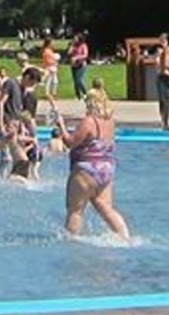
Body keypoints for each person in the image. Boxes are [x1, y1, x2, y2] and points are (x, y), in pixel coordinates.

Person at [56, 91, 131, 239]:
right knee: (105, 208)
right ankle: (125, 237)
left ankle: (71, 243)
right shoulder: (110, 121)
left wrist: (61, 126)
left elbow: (70, 142)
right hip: (106, 169)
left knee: (75, 210)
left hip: (86, 169)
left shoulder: (89, 121)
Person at [68, 33, 89, 99]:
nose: (74, 39)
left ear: (79, 39)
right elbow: (69, 53)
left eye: (76, 38)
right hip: (74, 65)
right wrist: (71, 46)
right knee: (75, 81)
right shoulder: (73, 45)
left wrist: (77, 57)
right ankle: (78, 95)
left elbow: (85, 55)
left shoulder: (83, 45)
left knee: (79, 80)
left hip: (81, 65)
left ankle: (85, 93)